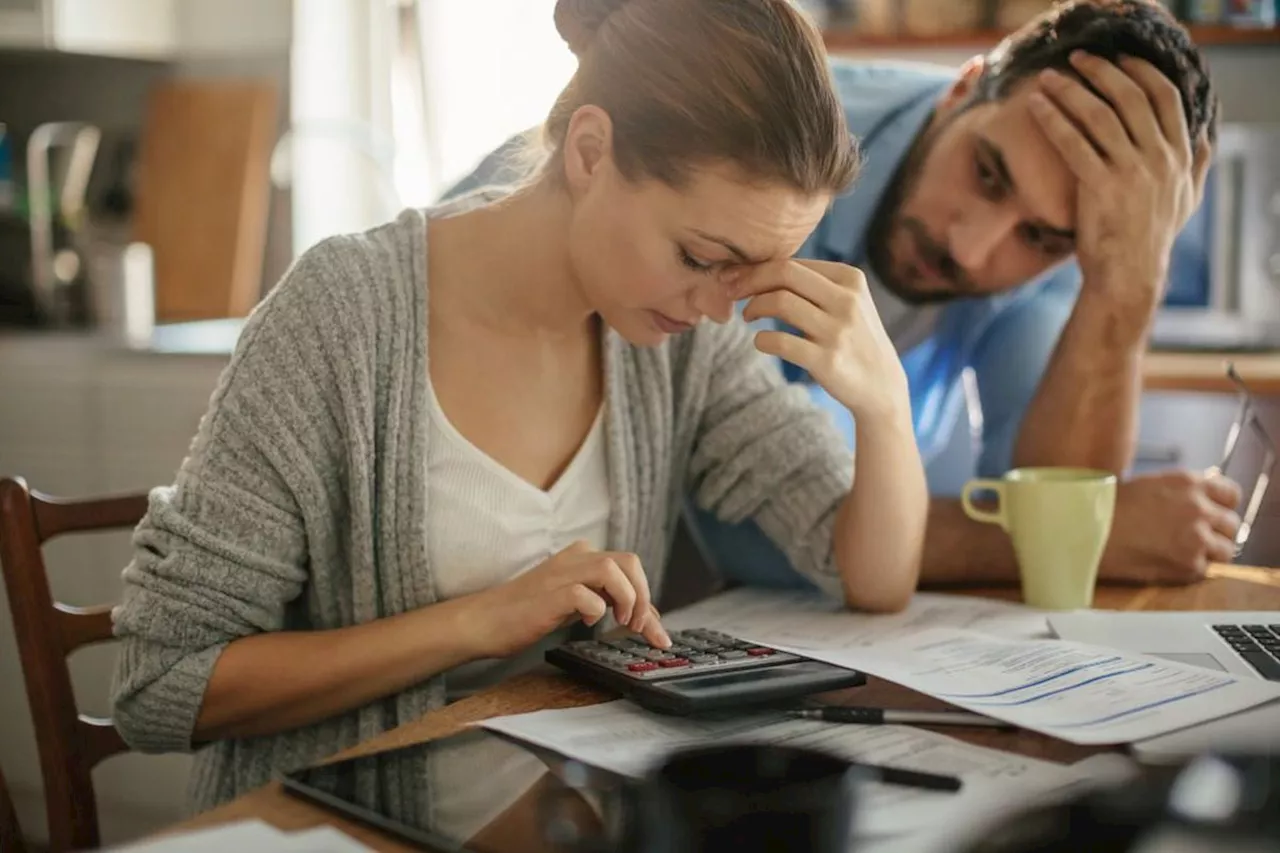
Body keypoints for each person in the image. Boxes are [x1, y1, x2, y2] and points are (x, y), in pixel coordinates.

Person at [109, 0, 928, 827]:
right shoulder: (342, 318)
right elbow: (161, 683)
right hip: (346, 829)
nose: (720, 308)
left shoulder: (676, 339)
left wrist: (884, 408)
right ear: (589, 151)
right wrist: (475, 621)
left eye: (747, 275)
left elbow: (871, 575)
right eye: (702, 258)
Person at [451, 0, 1241, 592]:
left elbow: (1053, 528)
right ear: (962, 89)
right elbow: (763, 536)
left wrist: (1124, 287)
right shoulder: (771, 171)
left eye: (1041, 239)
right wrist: (1071, 539)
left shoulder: (1080, 231)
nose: (973, 247)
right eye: (986, 173)